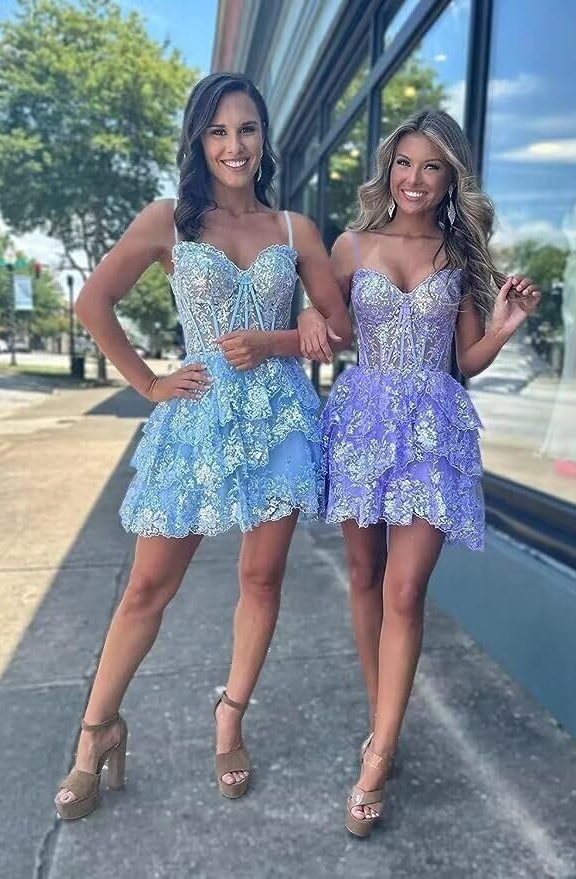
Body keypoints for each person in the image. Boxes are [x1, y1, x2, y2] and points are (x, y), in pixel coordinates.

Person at [54, 72, 351, 820]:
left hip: (279, 419)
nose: (233, 145)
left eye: (246, 129)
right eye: (218, 131)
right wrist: (149, 384)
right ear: (198, 141)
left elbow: (341, 328)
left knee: (261, 578)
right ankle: (97, 731)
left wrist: (288, 333)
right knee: (147, 586)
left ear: (264, 138)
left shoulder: (296, 230)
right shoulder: (170, 220)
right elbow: (93, 302)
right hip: (195, 419)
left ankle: (230, 717)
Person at [298, 108, 540, 837]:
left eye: (432, 167)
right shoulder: (351, 244)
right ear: (389, 169)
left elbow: (463, 361)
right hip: (361, 421)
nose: (414, 179)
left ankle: (376, 755)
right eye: (404, 163)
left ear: (450, 180)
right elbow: (332, 325)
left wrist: (502, 328)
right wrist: (307, 319)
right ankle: (386, 723)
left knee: (405, 589)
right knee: (363, 575)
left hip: (433, 429)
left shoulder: (457, 255)